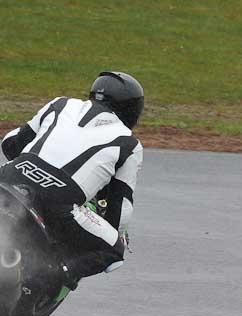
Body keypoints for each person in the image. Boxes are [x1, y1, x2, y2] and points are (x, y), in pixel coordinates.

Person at [1, 71, 144, 292]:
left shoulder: (60, 104)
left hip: (9, 177)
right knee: (114, 248)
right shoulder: (129, 144)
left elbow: (10, 144)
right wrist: (116, 232)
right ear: (132, 110)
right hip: (57, 203)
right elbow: (120, 210)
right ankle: (53, 275)